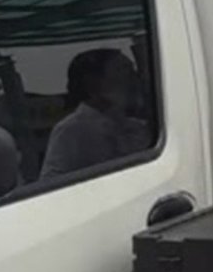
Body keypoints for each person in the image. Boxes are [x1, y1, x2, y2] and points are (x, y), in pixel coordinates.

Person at [42, 49, 153, 177]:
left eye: (132, 72)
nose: (134, 80)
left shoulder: (140, 129)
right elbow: (52, 183)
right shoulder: (71, 131)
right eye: (122, 71)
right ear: (93, 83)